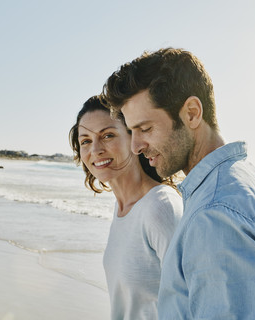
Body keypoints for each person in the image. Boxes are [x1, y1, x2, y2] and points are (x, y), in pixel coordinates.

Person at [102, 48, 255, 319]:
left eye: (145, 129)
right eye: (131, 131)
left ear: (191, 113)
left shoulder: (214, 213)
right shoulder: (245, 179)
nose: (135, 146)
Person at [69, 96, 183, 320]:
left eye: (108, 135)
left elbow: (194, 303)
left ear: (134, 139)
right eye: (85, 141)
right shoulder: (123, 208)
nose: (96, 149)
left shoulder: (160, 207)